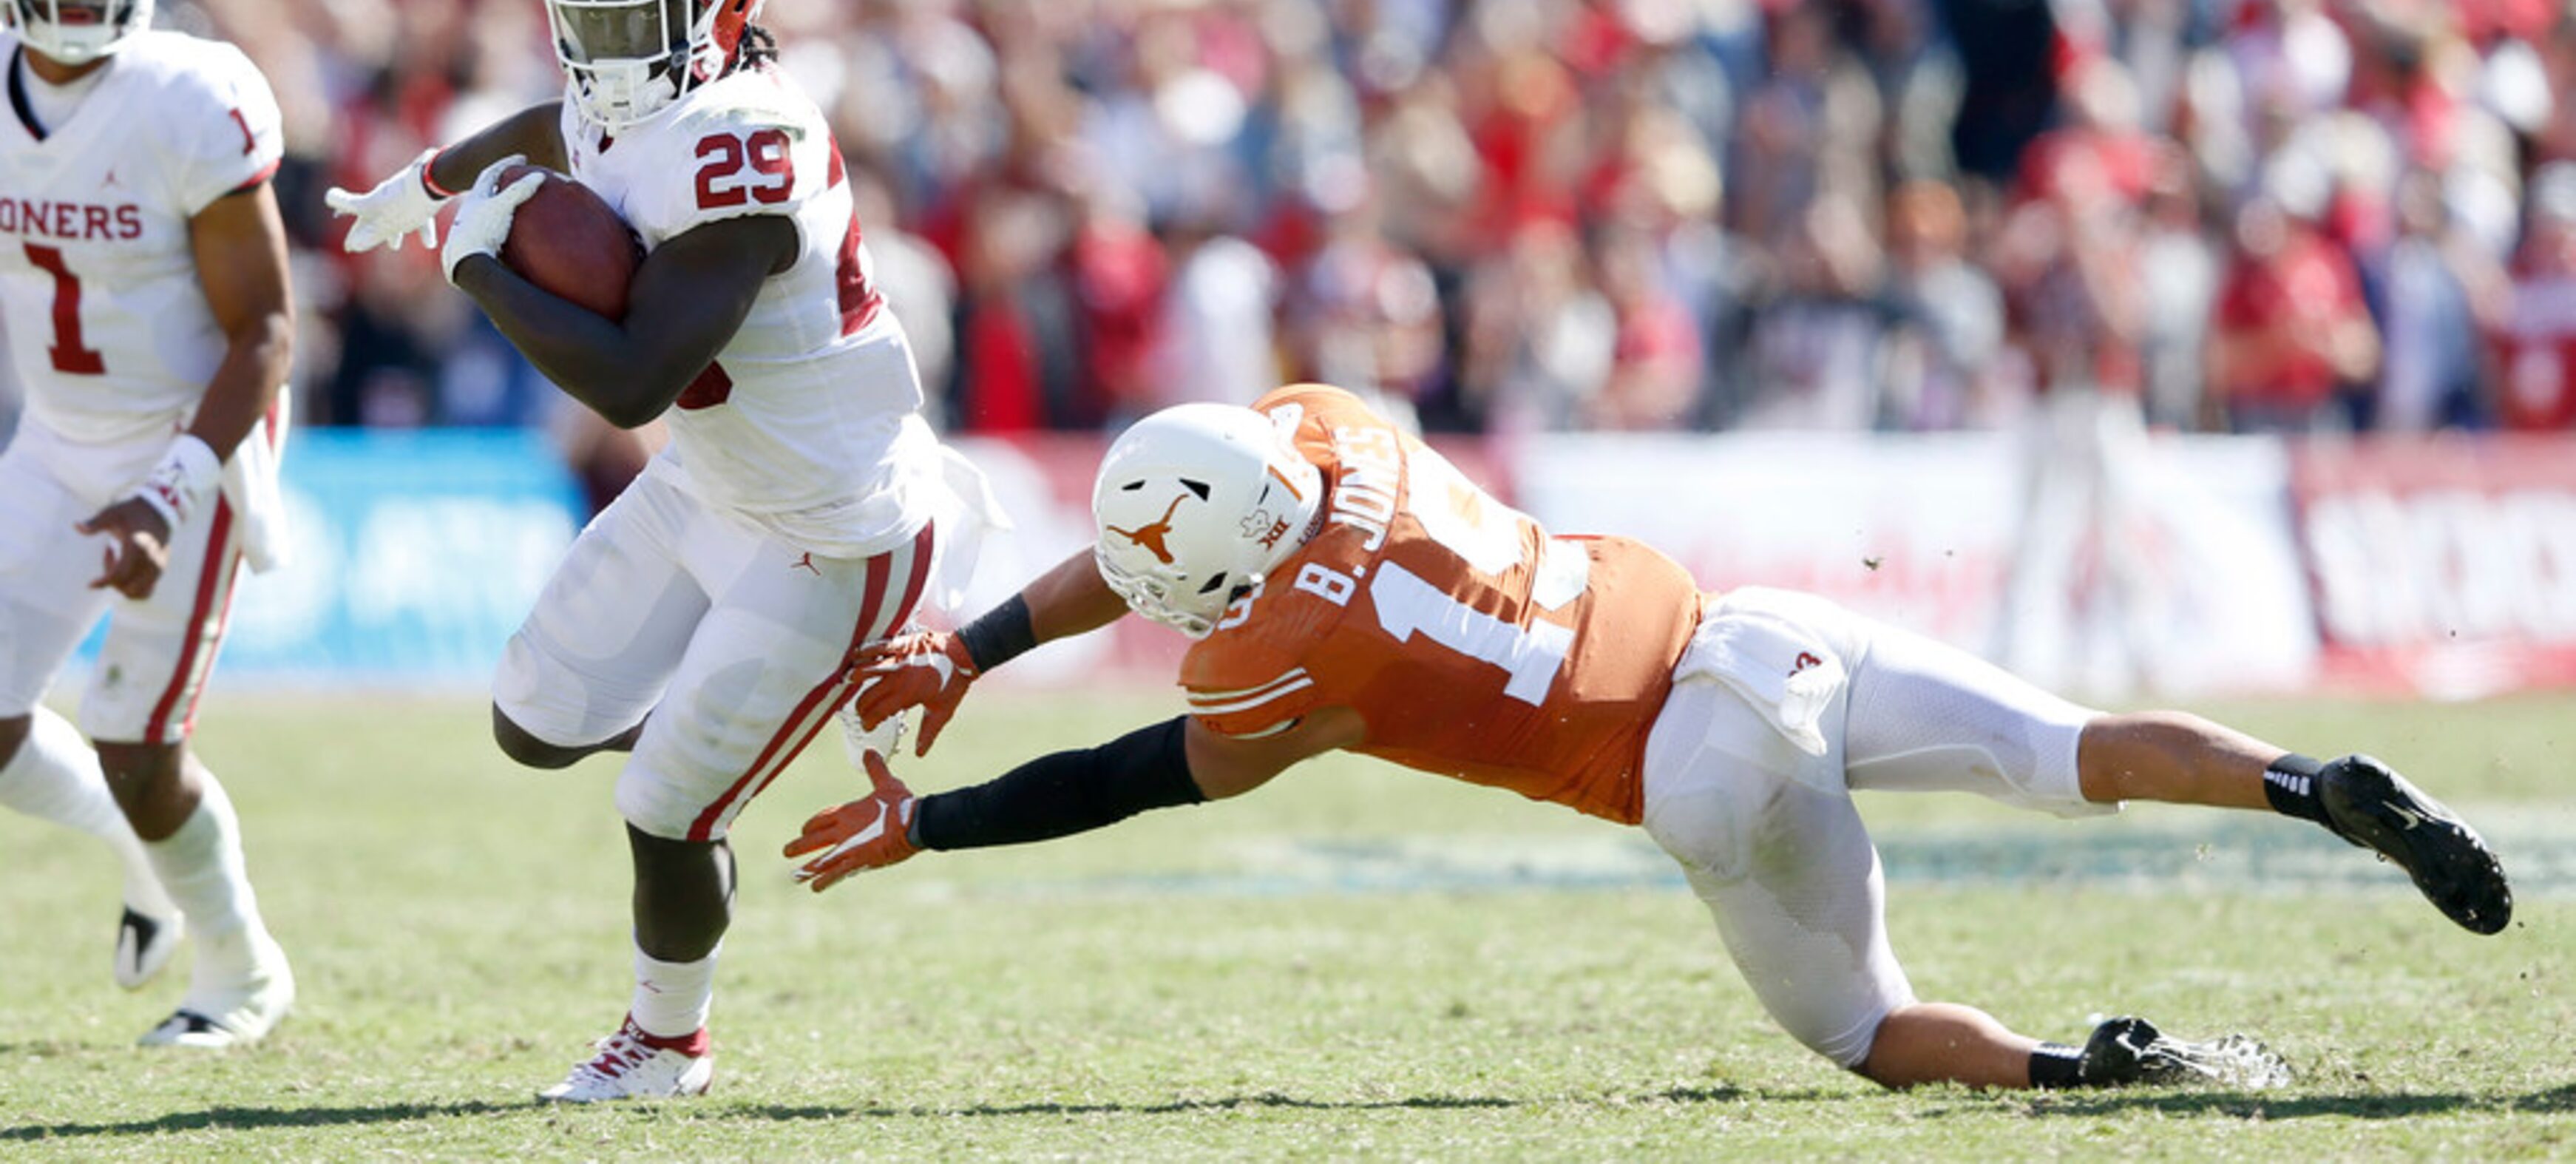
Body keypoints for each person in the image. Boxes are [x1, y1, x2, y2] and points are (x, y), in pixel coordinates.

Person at [793, 382, 2514, 1092]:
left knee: (1860, 1025)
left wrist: (928, 820)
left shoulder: (1278, 655)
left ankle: (2083, 1072)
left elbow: (1133, 774)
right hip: (1748, 628)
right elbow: (1168, 531)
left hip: (1684, 778)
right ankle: (2302, 785)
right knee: (2067, 746)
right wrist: (977, 637)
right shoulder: (1332, 434)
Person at [328, 0, 979, 1103]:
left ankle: (666, 1043)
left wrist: (476, 269)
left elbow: (632, 380)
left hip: (835, 527)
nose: (609, 48)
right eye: (590, 18)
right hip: (715, 482)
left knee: (666, 804)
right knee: (532, 722)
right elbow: (547, 130)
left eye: (638, 18)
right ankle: (739, 716)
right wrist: (426, 184)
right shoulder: (629, 94)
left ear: (724, 5)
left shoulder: (751, 138)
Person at [0, 0, 296, 1049]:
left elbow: (268, 329)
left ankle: (241, 970)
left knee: (134, 738)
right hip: (56, 436)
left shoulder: (187, 96)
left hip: (195, 442)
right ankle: (140, 859)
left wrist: (169, 492)